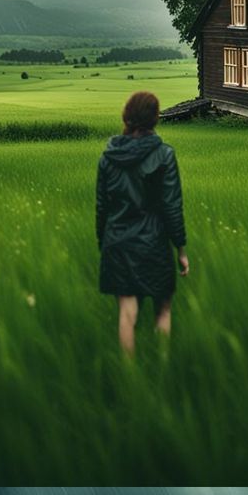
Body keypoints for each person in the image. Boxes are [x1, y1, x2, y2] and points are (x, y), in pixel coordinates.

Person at [95, 90, 188, 357]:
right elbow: (172, 206)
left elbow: (102, 207)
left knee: (127, 312)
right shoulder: (164, 155)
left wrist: (105, 243)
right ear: (154, 119)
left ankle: (129, 377)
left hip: (117, 241)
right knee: (163, 309)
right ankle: (161, 373)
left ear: (127, 115)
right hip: (154, 242)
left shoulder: (107, 158)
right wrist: (180, 249)